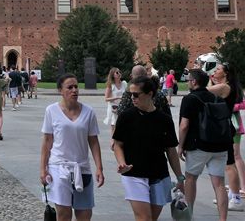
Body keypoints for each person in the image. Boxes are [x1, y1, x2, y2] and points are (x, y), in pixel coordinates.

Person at [113, 76, 185, 221]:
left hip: (159, 174)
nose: (132, 98)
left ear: (150, 94)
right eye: (130, 94)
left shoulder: (164, 120)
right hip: (134, 173)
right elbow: (118, 144)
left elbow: (170, 151)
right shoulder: (126, 117)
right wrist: (122, 163)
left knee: (151, 218)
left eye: (136, 94)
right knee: (144, 218)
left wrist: (179, 177)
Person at [40, 73, 104, 221]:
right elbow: (47, 141)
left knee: (85, 214)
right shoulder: (51, 111)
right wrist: (43, 169)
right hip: (59, 168)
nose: (74, 90)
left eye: (76, 87)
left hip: (82, 168)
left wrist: (99, 167)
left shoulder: (89, 112)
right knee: (63, 214)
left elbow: (93, 141)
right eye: (70, 87)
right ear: (60, 90)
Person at [177, 69, 232, 218]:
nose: (188, 82)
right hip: (220, 146)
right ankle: (223, 219)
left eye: (189, 80)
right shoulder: (216, 98)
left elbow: (184, 125)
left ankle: (189, 215)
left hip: (198, 146)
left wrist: (180, 146)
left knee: (190, 178)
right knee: (219, 184)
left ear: (194, 82)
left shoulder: (190, 99)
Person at [208, 63, 244, 212]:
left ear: (226, 74)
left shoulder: (225, 87)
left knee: (230, 164)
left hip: (225, 128)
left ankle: (236, 198)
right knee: (228, 164)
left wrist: (207, 79)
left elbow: (203, 91)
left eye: (218, 69)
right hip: (224, 128)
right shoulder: (226, 85)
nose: (215, 71)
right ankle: (231, 194)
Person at [103, 67, 126, 150]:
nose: (119, 73)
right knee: (114, 124)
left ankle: (121, 139)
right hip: (113, 107)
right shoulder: (111, 85)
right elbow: (106, 99)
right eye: (117, 72)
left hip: (122, 106)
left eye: (119, 72)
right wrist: (117, 97)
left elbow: (127, 94)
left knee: (122, 123)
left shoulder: (124, 83)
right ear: (113, 75)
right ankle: (113, 140)